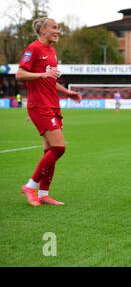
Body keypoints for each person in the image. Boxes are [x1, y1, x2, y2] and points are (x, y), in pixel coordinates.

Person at [16, 17, 81, 206]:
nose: (58, 31)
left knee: (49, 150)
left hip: (53, 104)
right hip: (39, 105)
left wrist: (67, 92)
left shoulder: (52, 51)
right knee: (59, 148)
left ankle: (43, 194)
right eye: (54, 27)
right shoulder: (33, 48)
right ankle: (30, 186)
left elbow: (50, 80)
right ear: (43, 30)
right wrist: (41, 74)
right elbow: (19, 74)